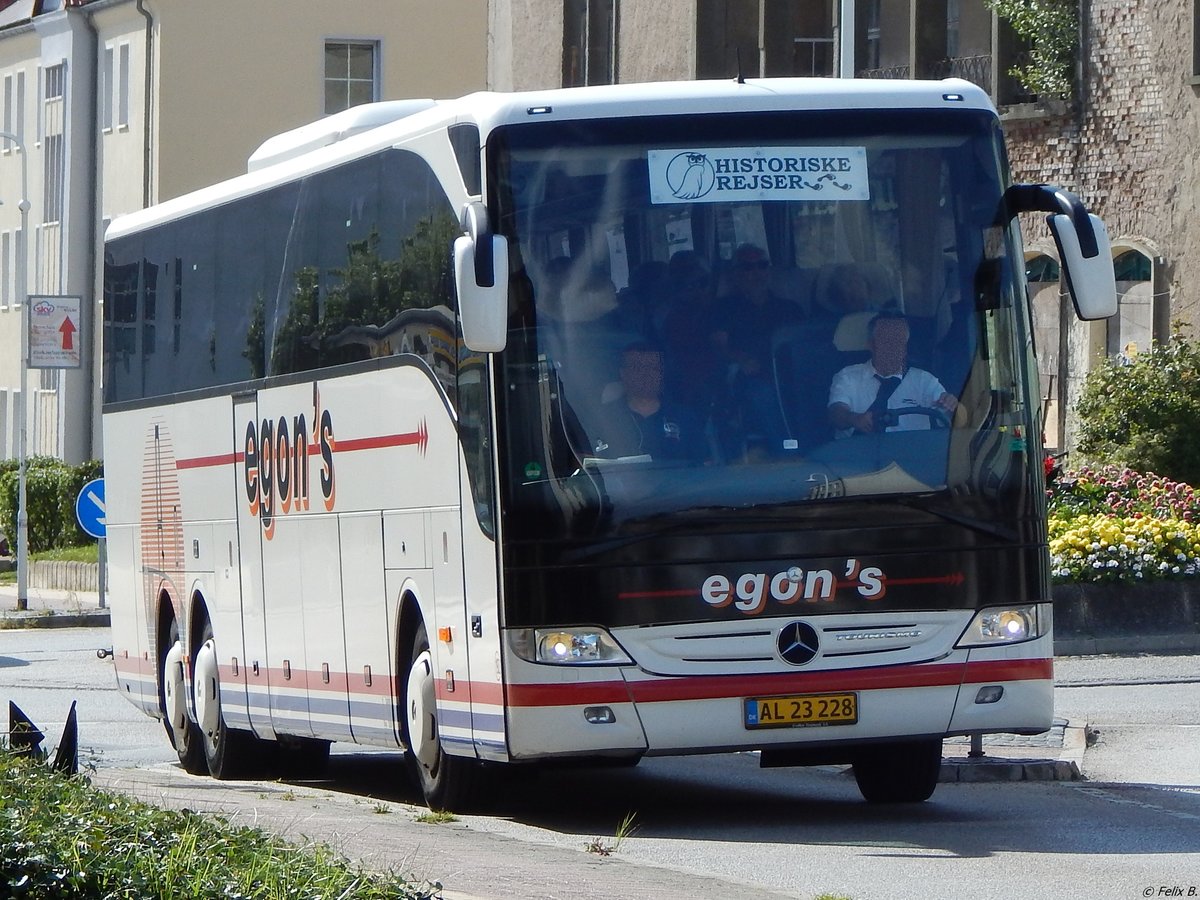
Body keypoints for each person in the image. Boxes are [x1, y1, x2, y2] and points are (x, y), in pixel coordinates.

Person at [714, 243, 802, 456]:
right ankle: (789, 455)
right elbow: (719, 346)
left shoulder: (790, 308)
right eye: (747, 267)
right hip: (751, 377)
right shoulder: (722, 309)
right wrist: (742, 360)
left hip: (793, 375)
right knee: (764, 394)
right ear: (735, 274)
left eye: (761, 265)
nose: (756, 272)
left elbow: (806, 346)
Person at [828, 311, 957, 438]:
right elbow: (836, 414)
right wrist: (854, 419)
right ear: (871, 345)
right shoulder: (848, 377)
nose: (893, 348)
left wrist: (952, 405)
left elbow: (958, 419)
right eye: (886, 342)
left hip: (912, 455)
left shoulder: (924, 381)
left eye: (899, 342)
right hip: (858, 455)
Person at [589, 343, 704, 462]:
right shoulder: (602, 419)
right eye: (638, 368)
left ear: (661, 374)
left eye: (652, 368)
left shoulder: (684, 418)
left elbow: (705, 466)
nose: (646, 374)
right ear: (623, 373)